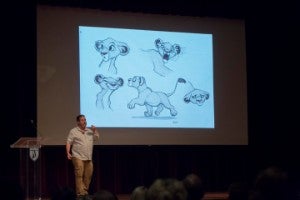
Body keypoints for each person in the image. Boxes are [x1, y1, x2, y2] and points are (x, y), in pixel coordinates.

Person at [66, 114, 100, 198]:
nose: (84, 121)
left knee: (88, 175)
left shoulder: (89, 131)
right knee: (79, 174)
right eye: (82, 120)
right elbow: (69, 142)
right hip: (77, 156)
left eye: (85, 120)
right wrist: (68, 152)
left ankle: (84, 191)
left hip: (88, 157)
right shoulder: (73, 131)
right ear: (78, 122)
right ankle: (80, 194)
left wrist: (95, 130)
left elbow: (96, 138)